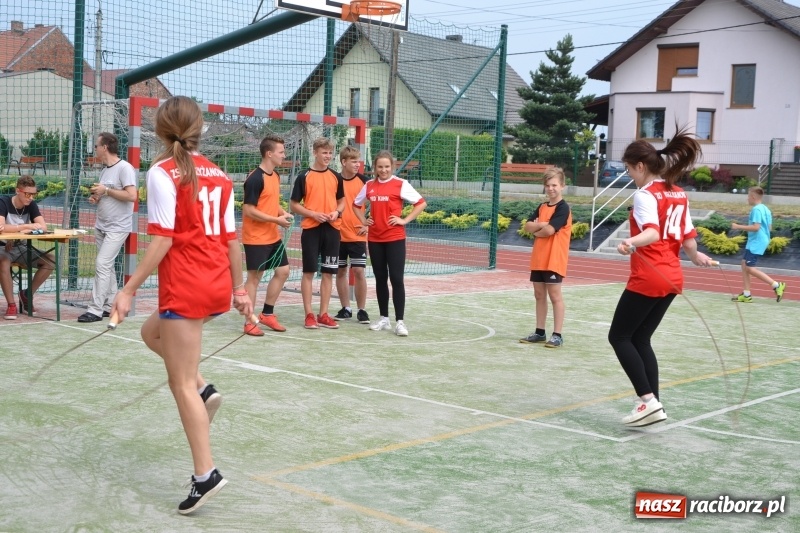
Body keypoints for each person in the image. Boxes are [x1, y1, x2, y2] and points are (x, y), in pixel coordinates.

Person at [110, 96, 253, 514]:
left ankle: (205, 475)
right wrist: (239, 290)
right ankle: (204, 387)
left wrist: (129, 288)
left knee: (179, 384)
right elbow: (232, 240)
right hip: (213, 285)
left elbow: (164, 240)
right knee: (149, 333)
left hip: (186, 285)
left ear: (160, 129)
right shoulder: (220, 174)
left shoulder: (162, 172)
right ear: (199, 129)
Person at [609, 127, 714, 428]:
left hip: (650, 275)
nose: (629, 174)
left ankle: (648, 400)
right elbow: (688, 238)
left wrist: (630, 242)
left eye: (628, 169)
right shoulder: (678, 193)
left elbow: (653, 232)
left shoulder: (645, 195)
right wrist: (696, 256)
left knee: (618, 336)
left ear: (639, 166)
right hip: (673, 278)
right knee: (641, 338)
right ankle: (653, 402)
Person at [353, 150, 426, 336]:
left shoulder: (400, 184)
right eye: (380, 167)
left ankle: (400, 322)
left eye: (387, 166)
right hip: (375, 239)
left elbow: (420, 203)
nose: (383, 170)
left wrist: (404, 220)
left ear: (392, 167)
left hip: (395, 239)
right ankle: (384, 318)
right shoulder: (369, 185)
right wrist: (363, 220)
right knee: (380, 279)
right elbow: (355, 204)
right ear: (375, 168)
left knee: (396, 279)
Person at [77, 132, 138, 323]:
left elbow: (132, 196)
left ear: (105, 147)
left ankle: (94, 310)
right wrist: (97, 197)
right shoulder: (105, 170)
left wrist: (107, 191)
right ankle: (107, 305)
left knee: (102, 264)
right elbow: (107, 194)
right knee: (107, 266)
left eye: (96, 145)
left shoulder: (124, 168)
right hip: (101, 225)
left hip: (118, 227)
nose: (94, 149)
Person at [289, 137, 345, 330]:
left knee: (329, 272)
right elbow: (294, 205)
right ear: (315, 153)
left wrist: (336, 212)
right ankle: (309, 315)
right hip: (311, 230)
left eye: (330, 153)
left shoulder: (336, 176)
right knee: (309, 272)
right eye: (324, 152)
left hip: (332, 229)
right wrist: (312, 214)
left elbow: (342, 201)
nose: (327, 156)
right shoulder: (304, 176)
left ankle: (323, 314)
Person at [241, 134, 293, 336]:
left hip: (272, 236)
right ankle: (249, 321)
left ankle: (267, 314)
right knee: (255, 278)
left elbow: (270, 202)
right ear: (269, 154)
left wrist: (282, 213)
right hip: (256, 238)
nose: (284, 155)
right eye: (281, 152)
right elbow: (249, 210)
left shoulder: (276, 175)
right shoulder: (255, 178)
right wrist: (276, 220)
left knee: (283, 271)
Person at [518, 167, 572, 348]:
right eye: (548, 185)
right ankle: (540, 332)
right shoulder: (541, 207)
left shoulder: (563, 208)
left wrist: (538, 230)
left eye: (554, 185)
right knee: (539, 294)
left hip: (554, 259)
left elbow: (550, 231)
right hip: (539, 258)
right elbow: (527, 226)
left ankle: (557, 334)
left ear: (562, 186)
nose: (551, 188)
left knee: (555, 295)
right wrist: (541, 225)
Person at [0, 175, 55, 319]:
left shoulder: (31, 205)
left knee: (50, 260)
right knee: (3, 262)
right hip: (2, 248)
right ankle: (11, 305)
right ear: (18, 191)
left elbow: (43, 228)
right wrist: (24, 226)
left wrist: (24, 232)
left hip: (21, 247)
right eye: (27, 194)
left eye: (33, 194)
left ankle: (26, 294)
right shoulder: (3, 202)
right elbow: (1, 227)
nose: (30, 197)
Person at [730, 187, 786, 303]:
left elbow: (756, 227)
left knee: (750, 268)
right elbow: (769, 228)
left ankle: (776, 285)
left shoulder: (756, 210)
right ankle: (746, 295)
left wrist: (737, 226)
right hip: (758, 240)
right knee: (744, 263)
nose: (747, 198)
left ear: (753, 197)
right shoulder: (766, 209)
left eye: (748, 196)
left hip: (757, 242)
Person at [334, 146, 370, 324]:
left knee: (359, 271)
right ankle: (346, 308)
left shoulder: (365, 181)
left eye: (358, 161)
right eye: (354, 161)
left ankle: (362, 310)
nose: (358, 164)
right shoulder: (334, 180)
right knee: (340, 272)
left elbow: (379, 202)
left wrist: (369, 224)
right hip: (337, 235)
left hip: (357, 234)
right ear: (344, 162)